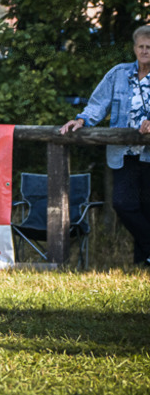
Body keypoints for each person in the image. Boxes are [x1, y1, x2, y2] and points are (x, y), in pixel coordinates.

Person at [60, 25, 150, 267]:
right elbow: (98, 104)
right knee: (123, 203)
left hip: (149, 155)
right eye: (141, 46)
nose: (145, 51)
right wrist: (81, 120)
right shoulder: (119, 74)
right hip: (123, 153)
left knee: (147, 208)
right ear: (134, 48)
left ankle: (142, 264)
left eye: (149, 47)